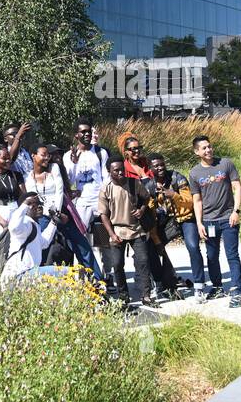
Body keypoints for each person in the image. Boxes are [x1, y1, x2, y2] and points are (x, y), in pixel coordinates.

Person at [24, 144, 102, 279]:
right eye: (43, 154)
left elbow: (59, 192)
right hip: (43, 216)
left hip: (61, 213)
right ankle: (38, 282)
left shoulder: (53, 168)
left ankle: (97, 281)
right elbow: (33, 198)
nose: (47, 158)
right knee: (40, 249)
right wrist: (48, 215)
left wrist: (57, 213)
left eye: (48, 155)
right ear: (33, 156)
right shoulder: (28, 176)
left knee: (82, 246)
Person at [189, 135, 241, 307]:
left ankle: (236, 291)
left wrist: (236, 211)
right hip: (209, 221)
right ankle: (217, 286)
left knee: (232, 255)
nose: (208, 150)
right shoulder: (194, 173)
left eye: (209, 146)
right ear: (196, 152)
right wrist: (199, 223)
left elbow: (237, 187)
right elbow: (197, 200)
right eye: (204, 148)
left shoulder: (225, 164)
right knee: (212, 256)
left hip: (228, 218)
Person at [99, 158, 157, 306]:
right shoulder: (106, 188)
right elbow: (103, 215)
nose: (120, 173)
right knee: (117, 264)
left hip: (136, 229)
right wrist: (112, 234)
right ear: (109, 172)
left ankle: (146, 295)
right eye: (116, 170)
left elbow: (146, 198)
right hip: (117, 230)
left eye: (121, 169)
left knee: (143, 261)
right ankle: (123, 295)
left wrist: (142, 210)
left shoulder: (134, 183)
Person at [63, 122, 113, 284]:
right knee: (82, 242)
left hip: (98, 202)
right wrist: (74, 162)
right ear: (76, 135)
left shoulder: (100, 153)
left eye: (89, 131)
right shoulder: (68, 156)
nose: (87, 134)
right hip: (81, 204)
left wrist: (106, 200)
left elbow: (107, 178)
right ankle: (85, 275)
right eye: (83, 132)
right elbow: (69, 182)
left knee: (104, 242)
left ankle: (108, 275)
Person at [144, 152, 194, 298]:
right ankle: (161, 282)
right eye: (156, 166)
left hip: (183, 218)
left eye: (162, 164)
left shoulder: (177, 178)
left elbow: (190, 202)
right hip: (162, 223)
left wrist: (174, 195)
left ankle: (199, 283)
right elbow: (150, 217)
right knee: (151, 247)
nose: (160, 168)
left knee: (192, 246)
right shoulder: (148, 186)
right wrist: (157, 241)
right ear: (149, 168)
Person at [0, 194, 61, 289]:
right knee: (66, 273)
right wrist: (25, 204)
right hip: (17, 276)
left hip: (28, 275)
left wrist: (54, 222)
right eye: (34, 204)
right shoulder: (25, 222)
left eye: (40, 204)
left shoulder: (35, 225)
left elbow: (44, 243)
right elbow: (13, 227)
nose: (39, 206)